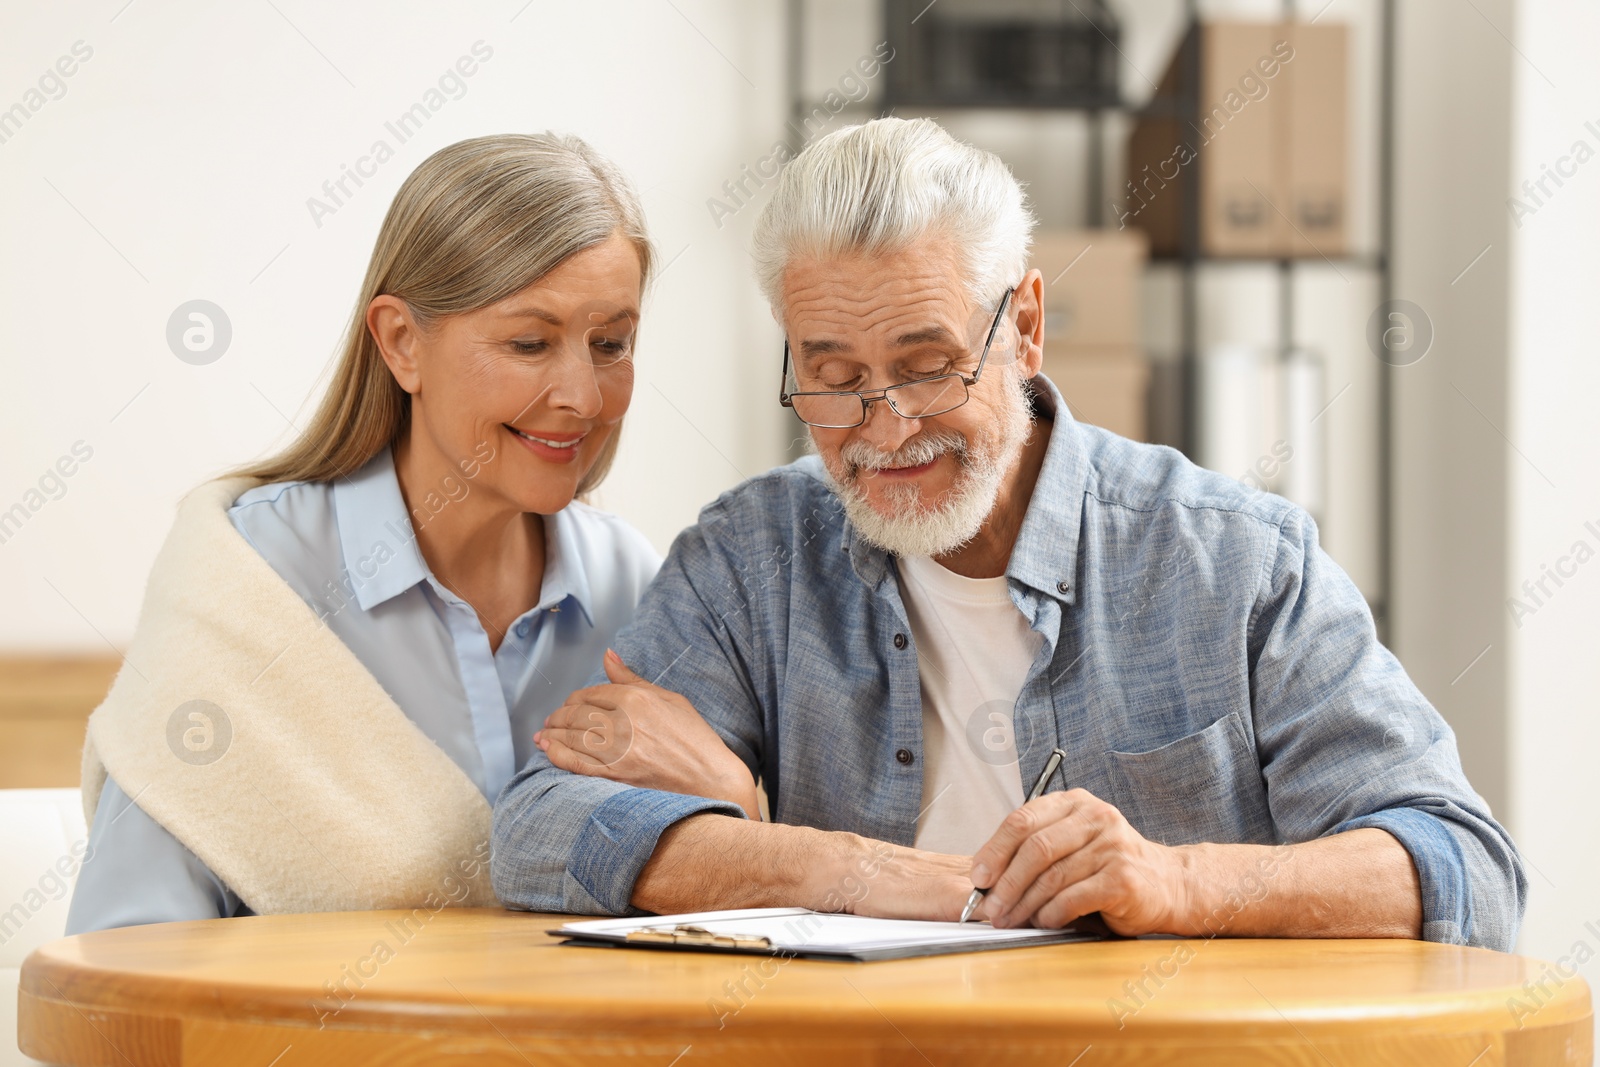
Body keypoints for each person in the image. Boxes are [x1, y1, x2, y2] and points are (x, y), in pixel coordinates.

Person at [491, 117, 1525, 950]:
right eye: (835, 378)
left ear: (1024, 325)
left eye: (927, 362)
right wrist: (846, 866)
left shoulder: (1235, 558)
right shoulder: (752, 556)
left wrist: (1179, 879)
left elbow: (1459, 867)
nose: (883, 426)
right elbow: (536, 829)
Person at [66, 133, 744, 933]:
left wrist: (736, 800)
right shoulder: (249, 584)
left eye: (611, 344)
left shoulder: (634, 591)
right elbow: (125, 960)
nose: (581, 395)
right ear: (400, 342)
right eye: (529, 342)